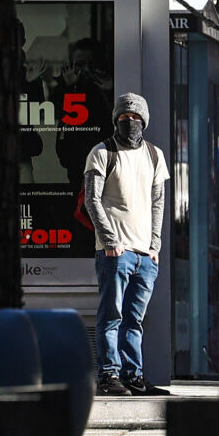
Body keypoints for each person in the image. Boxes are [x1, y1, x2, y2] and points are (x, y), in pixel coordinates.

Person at [86, 92, 169, 396]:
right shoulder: (101, 152)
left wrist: (154, 246)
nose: (129, 122)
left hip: (145, 255)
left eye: (135, 117)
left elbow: (158, 203)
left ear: (144, 120)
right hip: (115, 252)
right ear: (115, 119)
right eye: (124, 117)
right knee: (111, 315)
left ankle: (134, 375)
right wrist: (110, 241)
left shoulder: (155, 156)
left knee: (134, 319)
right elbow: (92, 200)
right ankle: (109, 375)